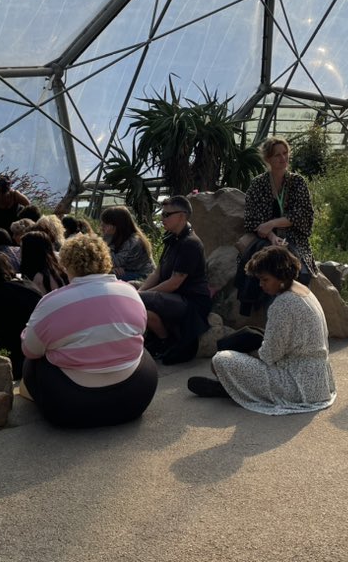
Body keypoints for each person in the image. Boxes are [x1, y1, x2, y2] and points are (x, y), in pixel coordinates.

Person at [20, 234, 158, 428]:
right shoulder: (130, 292)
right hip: (135, 396)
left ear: (66, 264)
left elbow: (30, 350)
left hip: (73, 404)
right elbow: (140, 331)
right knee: (140, 348)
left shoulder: (52, 302)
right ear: (105, 260)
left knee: (33, 362)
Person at [188, 245, 336, 414]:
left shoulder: (283, 303)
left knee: (221, 360)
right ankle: (232, 386)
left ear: (280, 275)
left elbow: (269, 355)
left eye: (265, 280)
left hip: (297, 385)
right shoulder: (305, 292)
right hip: (319, 382)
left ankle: (232, 388)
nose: (260, 285)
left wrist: (248, 353)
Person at [238, 137, 319, 314]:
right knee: (267, 270)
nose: (283, 158)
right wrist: (272, 235)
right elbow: (253, 219)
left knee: (300, 271)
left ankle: (298, 313)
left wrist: (272, 223)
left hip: (294, 237)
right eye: (277, 155)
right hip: (267, 239)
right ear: (268, 159)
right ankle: (273, 316)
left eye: (285, 153)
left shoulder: (297, 182)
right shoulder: (258, 184)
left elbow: (302, 214)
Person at [138, 196, 212, 364]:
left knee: (136, 297)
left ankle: (166, 341)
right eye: (162, 214)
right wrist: (139, 291)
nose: (162, 218)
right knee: (131, 289)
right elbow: (157, 273)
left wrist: (140, 296)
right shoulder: (173, 239)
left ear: (182, 216)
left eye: (166, 214)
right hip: (174, 296)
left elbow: (174, 283)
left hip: (191, 302)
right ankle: (161, 339)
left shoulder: (190, 243)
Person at [100, 205, 154, 281]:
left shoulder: (134, 241)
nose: (102, 226)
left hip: (142, 276)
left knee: (104, 278)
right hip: (128, 272)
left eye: (105, 224)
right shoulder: (115, 237)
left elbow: (112, 261)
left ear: (116, 225)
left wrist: (105, 240)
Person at [18, 230, 68, 295]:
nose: (19, 252)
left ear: (29, 251)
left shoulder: (38, 278)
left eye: (22, 248)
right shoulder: (60, 269)